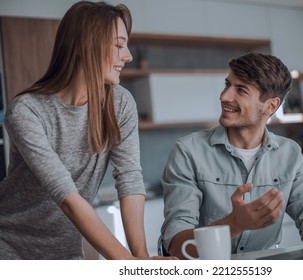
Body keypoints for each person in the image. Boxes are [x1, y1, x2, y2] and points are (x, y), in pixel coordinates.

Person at [0, 1, 175, 260]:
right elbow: (67, 197)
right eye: (118, 45)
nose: (127, 56)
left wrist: (141, 258)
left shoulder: (120, 103)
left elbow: (129, 179)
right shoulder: (26, 111)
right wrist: (129, 264)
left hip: (66, 250)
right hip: (11, 249)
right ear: (87, 46)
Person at [160, 52, 303, 259]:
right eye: (227, 84)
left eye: (241, 90)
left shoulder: (289, 153)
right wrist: (233, 224)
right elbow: (175, 244)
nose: (224, 96)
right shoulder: (188, 151)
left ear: (270, 106)